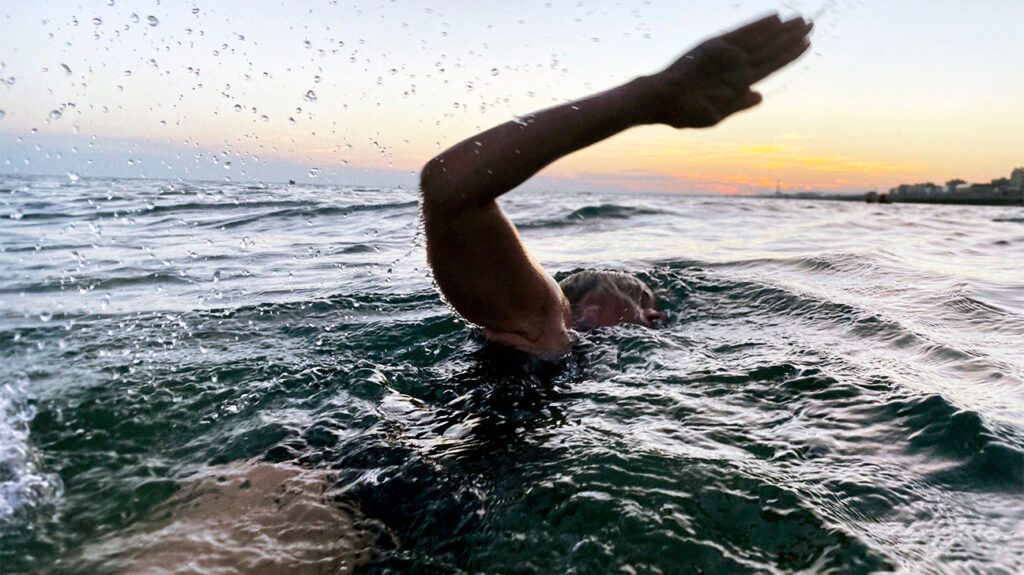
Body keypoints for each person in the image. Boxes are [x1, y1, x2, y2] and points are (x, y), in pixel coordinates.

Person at [421, 14, 813, 358]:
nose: (654, 317)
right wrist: (645, 99)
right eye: (640, 303)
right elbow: (449, 187)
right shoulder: (543, 327)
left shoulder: (542, 340)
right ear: (572, 309)